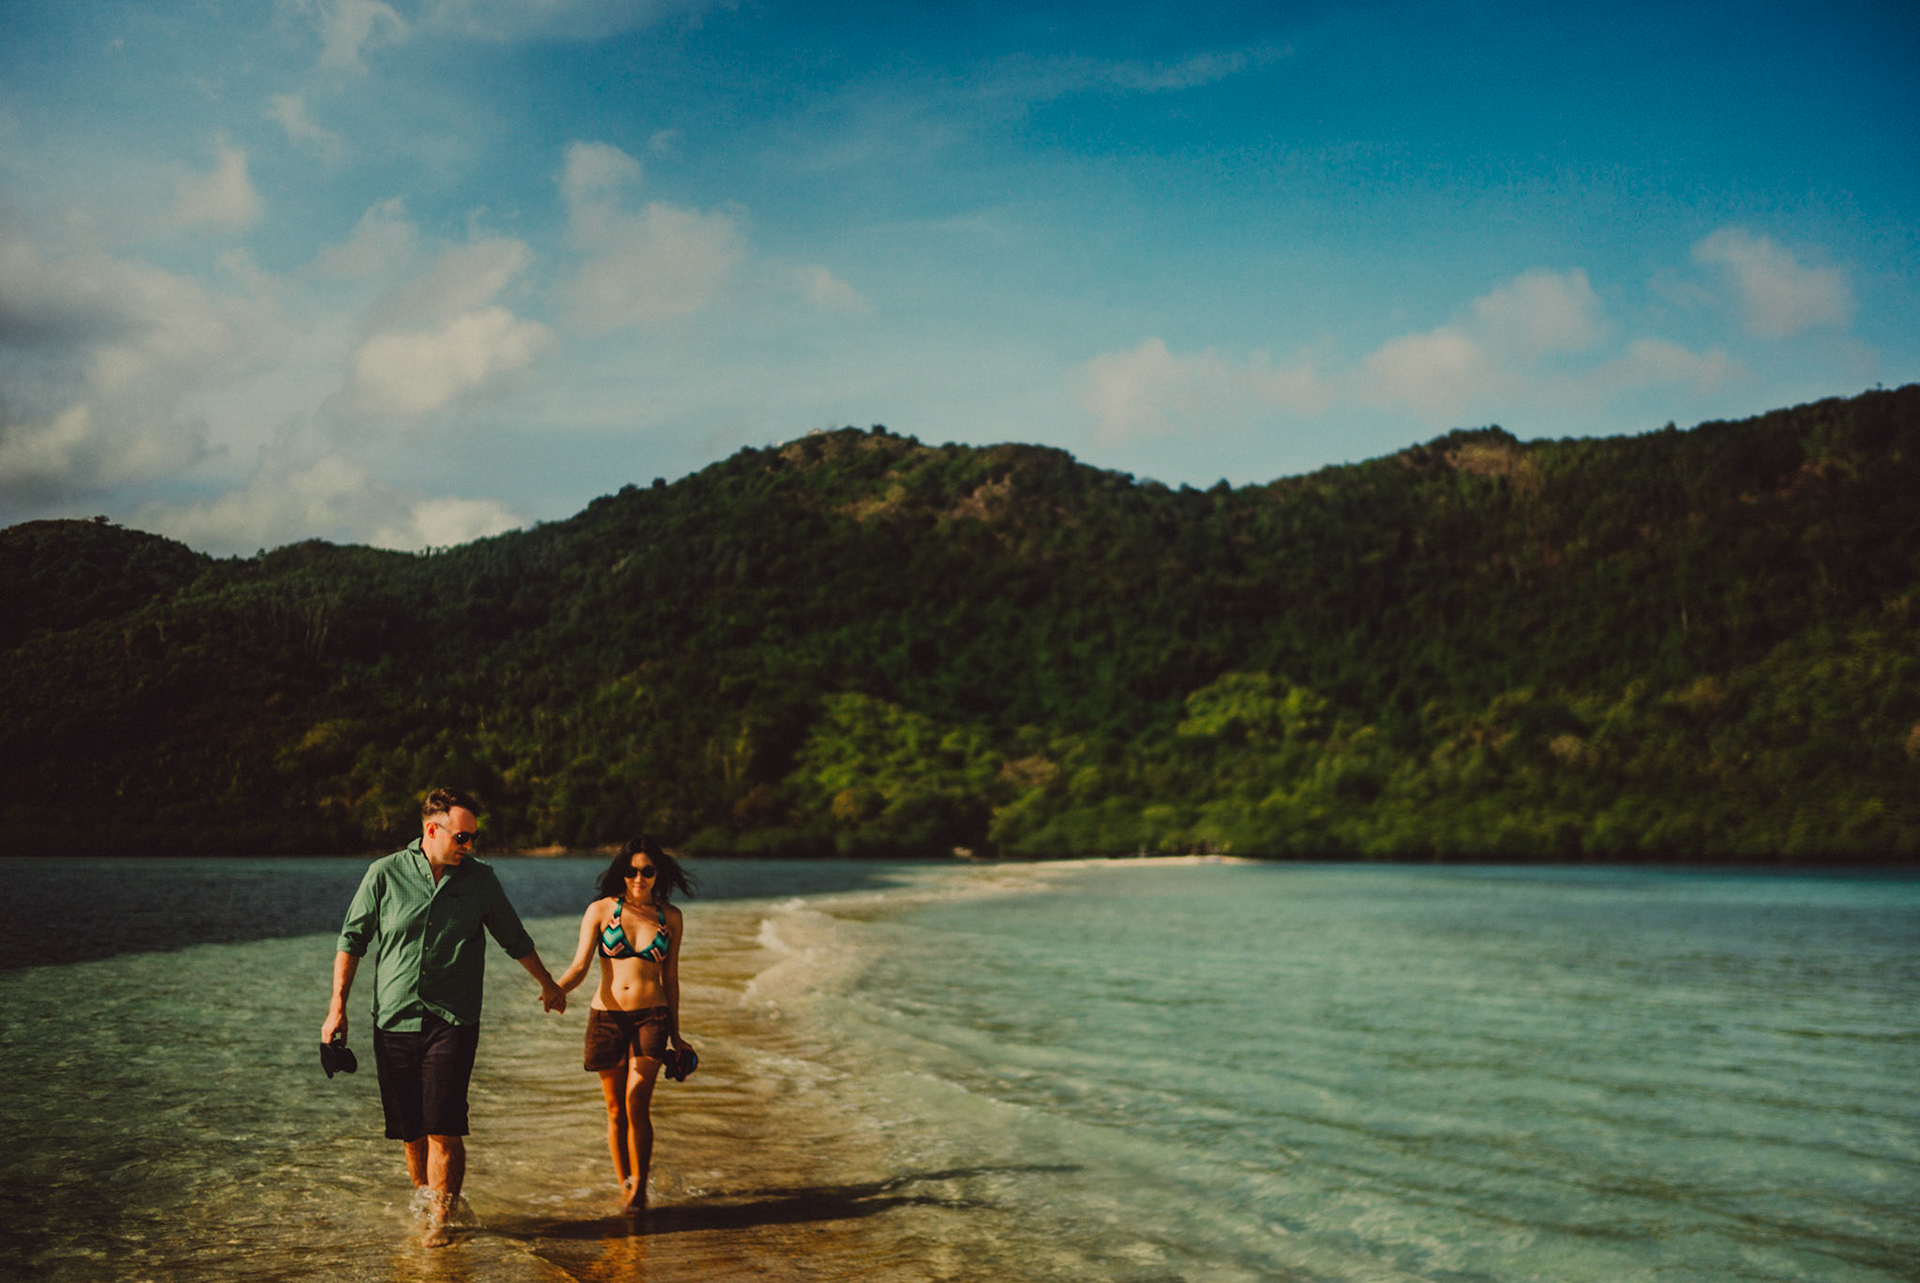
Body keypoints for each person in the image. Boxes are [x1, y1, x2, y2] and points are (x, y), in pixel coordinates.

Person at [321, 788, 567, 1246]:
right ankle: (425, 1200)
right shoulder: (384, 874)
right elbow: (352, 940)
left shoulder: (481, 881)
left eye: (473, 838)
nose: (469, 846)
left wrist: (547, 983)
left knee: (442, 1125)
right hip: (393, 1019)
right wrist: (337, 1006)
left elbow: (513, 937)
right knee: (411, 1132)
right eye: (462, 837)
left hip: (452, 1020)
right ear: (431, 830)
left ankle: (441, 1219)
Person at [556, 836, 695, 1213]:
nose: (639, 877)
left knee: (637, 1103)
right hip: (606, 1018)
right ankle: (626, 1185)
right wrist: (556, 989)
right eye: (632, 870)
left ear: (657, 874)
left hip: (653, 1016)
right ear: (622, 872)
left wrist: (677, 1035)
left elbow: (672, 978)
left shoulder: (671, 917)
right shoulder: (601, 911)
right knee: (615, 1110)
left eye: (647, 871)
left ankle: (640, 1194)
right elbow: (580, 965)